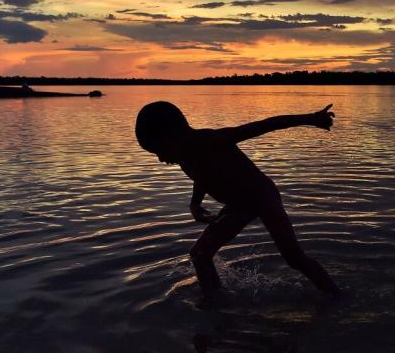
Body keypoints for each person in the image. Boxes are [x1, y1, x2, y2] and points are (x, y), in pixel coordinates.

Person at [135, 101, 341, 299]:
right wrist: (195, 204)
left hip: (262, 197)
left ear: (173, 136)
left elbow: (263, 126)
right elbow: (202, 176)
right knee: (200, 254)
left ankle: (336, 296)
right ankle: (214, 301)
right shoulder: (183, 155)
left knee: (294, 258)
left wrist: (311, 119)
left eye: (160, 151)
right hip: (238, 206)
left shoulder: (210, 140)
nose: (161, 159)